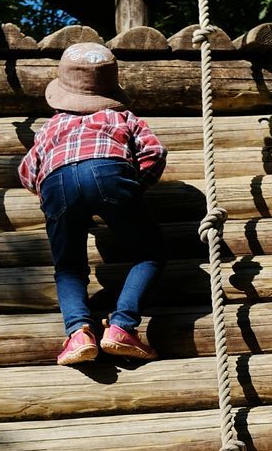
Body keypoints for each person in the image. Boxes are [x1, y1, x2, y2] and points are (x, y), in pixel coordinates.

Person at [18, 42, 168, 366]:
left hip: (55, 181)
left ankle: (77, 334)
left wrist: (51, 195)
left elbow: (27, 172)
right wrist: (131, 186)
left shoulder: (50, 127)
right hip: (111, 170)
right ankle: (122, 327)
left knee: (69, 266)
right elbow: (154, 153)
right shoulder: (122, 115)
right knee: (150, 253)